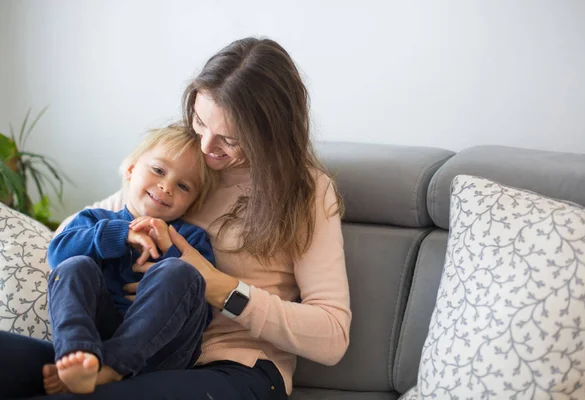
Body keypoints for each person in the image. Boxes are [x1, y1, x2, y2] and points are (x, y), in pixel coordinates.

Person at [0, 37, 351, 400]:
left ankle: (110, 371)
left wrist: (220, 287)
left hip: (235, 367)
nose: (206, 147)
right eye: (200, 122)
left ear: (271, 133)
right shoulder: (184, 161)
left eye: (230, 140)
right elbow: (72, 238)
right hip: (119, 346)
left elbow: (333, 336)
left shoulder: (305, 190)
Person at [45, 125, 216, 394]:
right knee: (74, 265)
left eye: (183, 186)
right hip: (99, 338)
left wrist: (169, 253)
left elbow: (204, 312)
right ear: (131, 169)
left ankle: (112, 368)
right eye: (158, 170)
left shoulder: (190, 239)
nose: (166, 186)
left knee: (180, 271)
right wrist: (119, 235)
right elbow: (56, 257)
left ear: (192, 204)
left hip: (163, 350)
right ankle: (77, 358)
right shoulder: (95, 221)